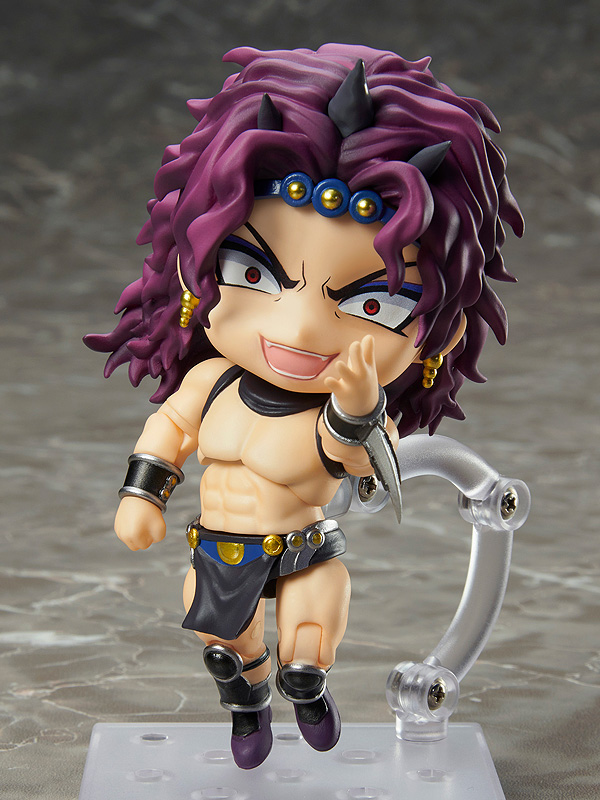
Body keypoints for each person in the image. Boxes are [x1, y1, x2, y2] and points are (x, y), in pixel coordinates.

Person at [84, 44, 523, 769]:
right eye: (254, 271)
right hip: (220, 547)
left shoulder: (352, 404)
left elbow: (361, 468)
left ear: (436, 333)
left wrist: (356, 409)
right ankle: (247, 703)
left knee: (310, 635)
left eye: (373, 303)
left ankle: (308, 687)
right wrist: (143, 496)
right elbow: (167, 431)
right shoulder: (212, 384)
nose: (300, 329)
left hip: (304, 548)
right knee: (224, 644)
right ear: (195, 269)